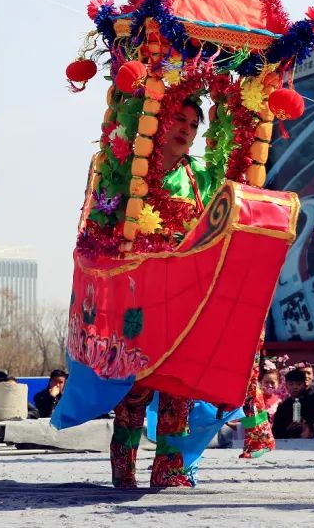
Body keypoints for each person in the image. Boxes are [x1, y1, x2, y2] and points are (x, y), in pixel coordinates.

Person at [109, 99, 217, 488]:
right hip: (138, 292)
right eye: (179, 119)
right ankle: (124, 465)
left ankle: (170, 468)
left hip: (186, 294)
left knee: (179, 384)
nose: (186, 129)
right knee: (135, 385)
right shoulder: (130, 170)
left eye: (193, 123)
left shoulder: (202, 176)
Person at [271, 368, 314, 439]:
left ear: (304, 384)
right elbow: (275, 432)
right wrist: (288, 428)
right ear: (286, 385)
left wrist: (308, 425)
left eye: (299, 384)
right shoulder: (283, 406)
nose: (295, 387)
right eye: (291, 384)